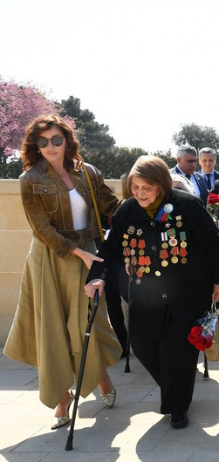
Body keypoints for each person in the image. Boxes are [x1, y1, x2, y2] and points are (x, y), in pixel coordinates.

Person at [85, 156, 219, 429]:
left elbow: (214, 244)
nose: (140, 193)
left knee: (179, 350)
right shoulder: (127, 211)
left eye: (147, 188)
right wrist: (97, 279)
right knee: (142, 345)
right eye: (135, 187)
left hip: (186, 294)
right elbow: (110, 250)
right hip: (145, 296)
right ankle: (175, 386)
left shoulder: (186, 205)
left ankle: (177, 406)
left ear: (161, 185)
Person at [5, 115, 120, 430]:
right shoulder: (30, 179)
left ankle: (100, 377)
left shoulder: (89, 173)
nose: (50, 146)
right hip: (51, 259)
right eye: (43, 141)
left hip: (87, 257)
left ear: (67, 141)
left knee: (89, 320)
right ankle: (61, 397)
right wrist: (79, 252)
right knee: (53, 328)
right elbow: (41, 228)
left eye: (57, 139)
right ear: (35, 146)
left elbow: (114, 207)